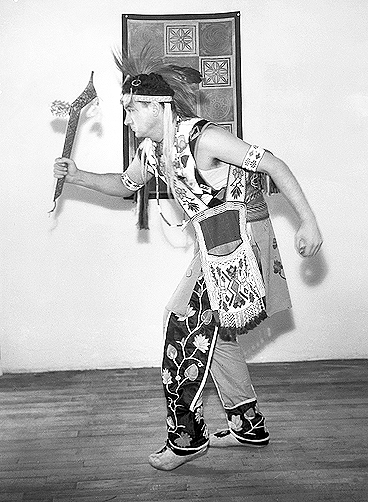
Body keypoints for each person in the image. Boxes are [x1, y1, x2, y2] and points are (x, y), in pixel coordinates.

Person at [53, 49, 323, 471]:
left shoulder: (204, 138)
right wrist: (77, 175)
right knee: (212, 333)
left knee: (183, 323)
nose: (127, 119)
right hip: (213, 244)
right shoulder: (151, 150)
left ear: (158, 107)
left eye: (131, 110)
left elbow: (273, 163)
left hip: (241, 242)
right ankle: (247, 424)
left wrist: (308, 222)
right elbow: (126, 187)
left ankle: (187, 437)